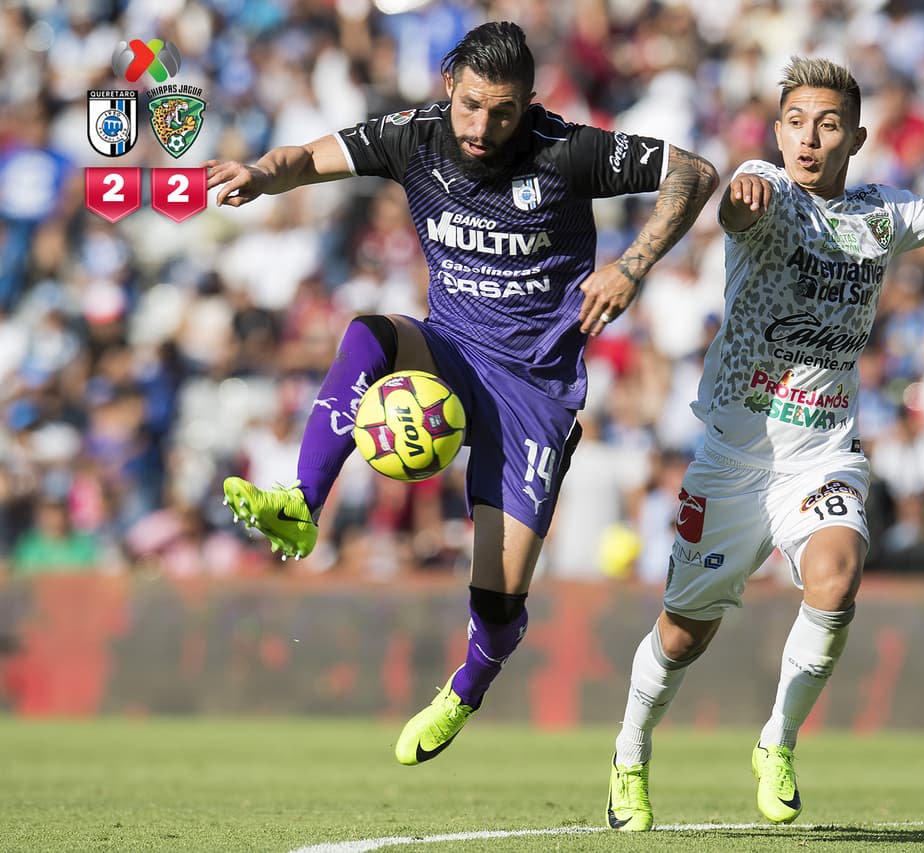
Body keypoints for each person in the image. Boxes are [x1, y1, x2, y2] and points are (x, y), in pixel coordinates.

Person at [605, 56, 924, 831]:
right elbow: (738, 207)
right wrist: (740, 202)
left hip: (822, 455)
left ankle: (777, 742)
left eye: (828, 125)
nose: (809, 139)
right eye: (796, 124)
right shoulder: (766, 186)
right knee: (683, 633)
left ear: (856, 138)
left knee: (837, 579)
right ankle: (629, 750)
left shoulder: (883, 214)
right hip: (734, 461)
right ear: (778, 131)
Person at [206, 22, 718, 765]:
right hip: (450, 353)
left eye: (502, 112)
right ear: (449, 85)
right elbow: (305, 159)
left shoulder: (565, 150)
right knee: (370, 334)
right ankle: (301, 502)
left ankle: (466, 688)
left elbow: (694, 172)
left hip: (535, 391)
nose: (481, 128)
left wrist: (632, 265)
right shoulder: (412, 137)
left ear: (528, 103)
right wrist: (259, 173)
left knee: (499, 602)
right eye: (471, 106)